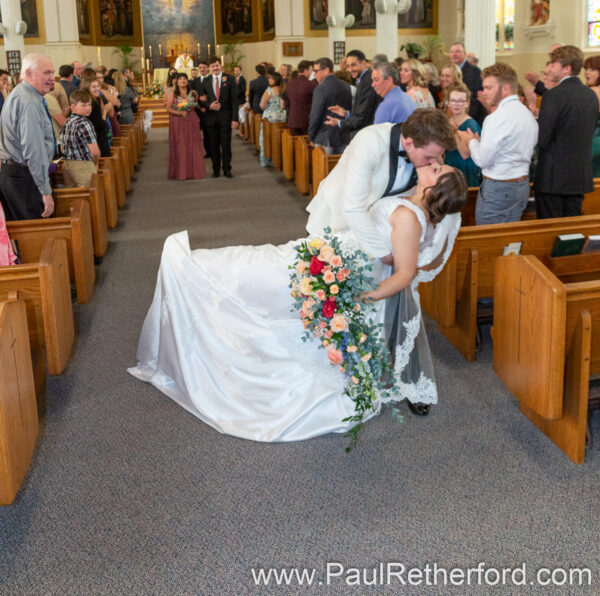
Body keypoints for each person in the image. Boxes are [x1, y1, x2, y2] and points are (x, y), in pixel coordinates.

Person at [129, 163, 467, 441]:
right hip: (332, 254)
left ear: (433, 190)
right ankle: (201, 286)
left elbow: (405, 273)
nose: (431, 164)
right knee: (265, 265)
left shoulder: (409, 217)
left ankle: (198, 274)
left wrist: (366, 296)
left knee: (260, 272)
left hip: (340, 271)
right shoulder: (408, 203)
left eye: (437, 169)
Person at [307, 108, 456, 261]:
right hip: (335, 222)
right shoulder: (370, 141)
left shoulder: (423, 151)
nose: (433, 163)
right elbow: (353, 207)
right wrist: (382, 254)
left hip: (373, 232)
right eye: (429, 157)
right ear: (409, 143)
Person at [456, 63, 538, 224]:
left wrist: (472, 142)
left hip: (499, 187)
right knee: (508, 240)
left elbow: (483, 160)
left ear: (505, 89)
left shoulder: (496, 117)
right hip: (521, 185)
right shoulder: (527, 114)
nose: (484, 93)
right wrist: (480, 144)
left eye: (488, 88)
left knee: (488, 239)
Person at [534, 45, 599, 218]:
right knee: (572, 232)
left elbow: (543, 138)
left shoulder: (553, 95)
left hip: (552, 178)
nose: (551, 68)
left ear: (566, 68)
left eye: (554, 64)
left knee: (550, 233)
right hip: (579, 176)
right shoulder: (590, 95)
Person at [0, 53, 56, 220]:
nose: (52, 78)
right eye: (47, 73)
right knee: (39, 234)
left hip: (17, 175)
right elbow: (33, 152)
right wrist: (45, 191)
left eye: (53, 72)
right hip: (24, 177)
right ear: (29, 74)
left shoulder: (22, 94)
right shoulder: (28, 103)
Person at [325, 50, 381, 147]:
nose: (350, 69)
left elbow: (362, 118)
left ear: (364, 63)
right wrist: (346, 113)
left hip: (366, 136)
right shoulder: (363, 80)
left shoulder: (368, 82)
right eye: (348, 66)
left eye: (353, 65)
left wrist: (339, 123)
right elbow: (364, 111)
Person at [201, 57, 239, 178]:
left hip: (226, 118)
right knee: (213, 146)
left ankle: (227, 169)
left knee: (226, 145)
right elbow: (201, 100)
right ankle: (216, 169)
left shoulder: (230, 79)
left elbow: (234, 101)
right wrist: (209, 105)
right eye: (212, 66)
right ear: (209, 68)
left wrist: (235, 119)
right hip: (211, 118)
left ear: (221, 66)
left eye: (217, 65)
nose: (215, 68)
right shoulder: (205, 81)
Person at [307, 57, 352, 154]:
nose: (314, 74)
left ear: (326, 70)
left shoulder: (320, 88)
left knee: (324, 168)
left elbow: (315, 115)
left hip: (325, 136)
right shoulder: (346, 86)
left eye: (316, 71)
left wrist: (311, 136)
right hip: (344, 136)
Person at [166, 73, 205, 181]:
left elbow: (196, 104)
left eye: (185, 79)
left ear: (187, 81)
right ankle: (181, 172)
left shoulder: (193, 93)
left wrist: (196, 106)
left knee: (193, 144)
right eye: (180, 79)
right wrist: (179, 113)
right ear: (176, 81)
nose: (183, 81)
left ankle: (194, 171)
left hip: (191, 120)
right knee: (181, 145)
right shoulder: (172, 93)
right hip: (178, 121)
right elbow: (168, 109)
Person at [60, 89, 100, 187]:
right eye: (83, 105)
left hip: (67, 165)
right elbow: (94, 151)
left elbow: (62, 147)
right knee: (92, 196)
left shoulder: (67, 121)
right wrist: (95, 164)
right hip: (83, 165)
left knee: (75, 199)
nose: (88, 108)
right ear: (73, 107)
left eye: (89, 104)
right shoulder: (84, 123)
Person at [444, 84, 482, 188]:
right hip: (449, 166)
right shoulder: (448, 121)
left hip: (465, 170)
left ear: (467, 103)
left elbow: (466, 154)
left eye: (460, 101)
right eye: (453, 100)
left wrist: (455, 133)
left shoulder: (471, 124)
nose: (456, 104)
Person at [448, 42, 486, 125]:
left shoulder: (474, 71)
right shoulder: (451, 71)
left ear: (464, 54)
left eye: (457, 51)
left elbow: (474, 99)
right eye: (451, 52)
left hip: (470, 120)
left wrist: (466, 120)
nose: (454, 54)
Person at [79, 69, 111, 157]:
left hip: (97, 139)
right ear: (87, 88)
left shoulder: (94, 100)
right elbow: (100, 125)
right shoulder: (90, 104)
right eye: (94, 87)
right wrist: (104, 112)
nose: (97, 89)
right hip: (96, 141)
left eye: (98, 86)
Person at [258, 71, 287, 167]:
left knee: (266, 138)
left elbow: (262, 106)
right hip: (282, 117)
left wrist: (266, 103)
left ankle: (265, 160)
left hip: (270, 118)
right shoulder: (283, 89)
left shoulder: (269, 90)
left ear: (275, 79)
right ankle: (279, 160)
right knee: (279, 140)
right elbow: (283, 106)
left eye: (270, 78)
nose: (268, 80)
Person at [283, 60, 316, 135]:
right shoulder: (311, 84)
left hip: (292, 121)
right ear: (305, 71)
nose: (312, 73)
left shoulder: (289, 84)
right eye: (311, 70)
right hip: (306, 122)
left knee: (294, 145)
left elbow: (287, 105)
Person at [583, 55, 600, 177]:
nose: (587, 73)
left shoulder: (593, 91)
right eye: (586, 69)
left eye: (592, 69)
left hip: (594, 138)